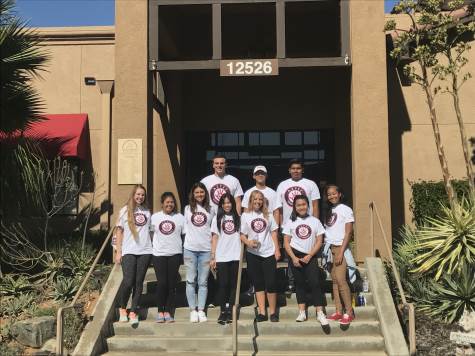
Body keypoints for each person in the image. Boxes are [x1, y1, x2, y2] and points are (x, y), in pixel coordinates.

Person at [283, 195, 328, 326]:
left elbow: (320, 240)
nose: (301, 207)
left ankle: (320, 313)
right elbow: (286, 242)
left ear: (308, 205)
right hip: (295, 256)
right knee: (300, 284)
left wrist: (309, 255)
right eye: (298, 205)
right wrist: (293, 258)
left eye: (304, 204)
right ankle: (302, 312)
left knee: (315, 283)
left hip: (311, 256)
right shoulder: (290, 221)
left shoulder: (315, 221)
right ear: (294, 207)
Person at [276, 159, 321, 292]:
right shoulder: (282, 185)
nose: (296, 170)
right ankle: (291, 283)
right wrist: (280, 226)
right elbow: (279, 208)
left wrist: (316, 223)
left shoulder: (310, 184)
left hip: (309, 225)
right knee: (291, 256)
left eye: (298, 168)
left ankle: (309, 282)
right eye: (293, 168)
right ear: (289, 170)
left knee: (309, 254)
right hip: (289, 225)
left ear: (302, 170)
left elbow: (315, 205)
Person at [115, 184, 152, 326]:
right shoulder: (124, 210)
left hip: (145, 251)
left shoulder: (147, 211)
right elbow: (119, 232)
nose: (140, 197)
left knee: (138, 283)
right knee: (128, 281)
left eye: (142, 195)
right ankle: (123, 308)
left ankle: (133, 311)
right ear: (133, 195)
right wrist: (118, 251)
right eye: (138, 194)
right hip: (129, 251)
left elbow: (151, 231)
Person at [240, 190, 280, 322]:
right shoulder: (245, 216)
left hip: (268, 252)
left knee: (272, 282)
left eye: (260, 199)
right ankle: (263, 312)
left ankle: (273, 312)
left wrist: (277, 250)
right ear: (250, 201)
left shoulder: (268, 215)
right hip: (253, 254)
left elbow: (274, 233)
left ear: (263, 202)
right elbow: (242, 235)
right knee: (258, 283)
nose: (257, 201)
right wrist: (248, 243)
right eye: (255, 199)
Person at [323, 184, 355, 326]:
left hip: (340, 248)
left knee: (341, 280)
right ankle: (338, 311)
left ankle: (349, 312)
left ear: (340, 194)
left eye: (334, 193)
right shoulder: (329, 210)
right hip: (330, 249)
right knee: (335, 281)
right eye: (329, 194)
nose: (332, 196)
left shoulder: (346, 209)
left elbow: (348, 232)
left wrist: (341, 251)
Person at [150, 192, 184, 323]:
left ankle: (168, 311)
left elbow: (184, 235)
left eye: (172, 202)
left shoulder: (180, 217)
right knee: (161, 283)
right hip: (159, 254)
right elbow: (151, 233)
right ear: (162, 203)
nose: (170, 204)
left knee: (171, 284)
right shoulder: (155, 217)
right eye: (167, 202)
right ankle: (160, 310)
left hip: (175, 254)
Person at [183, 182, 215, 323]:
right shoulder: (187, 209)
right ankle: (192, 310)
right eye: (197, 192)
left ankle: (201, 310)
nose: (199, 194)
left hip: (206, 250)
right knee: (190, 280)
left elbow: (214, 232)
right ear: (193, 194)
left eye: (202, 192)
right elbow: (184, 229)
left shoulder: (211, 209)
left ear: (205, 194)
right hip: (190, 249)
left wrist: (214, 253)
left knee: (203, 282)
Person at [210, 193, 241, 325]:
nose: (227, 205)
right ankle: (223, 310)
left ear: (232, 204)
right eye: (225, 203)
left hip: (235, 255)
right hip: (222, 256)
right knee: (223, 284)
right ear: (221, 205)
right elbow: (215, 238)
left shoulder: (238, 218)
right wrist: (213, 256)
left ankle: (231, 311)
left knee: (234, 284)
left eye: (229, 202)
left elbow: (243, 236)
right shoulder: (217, 219)